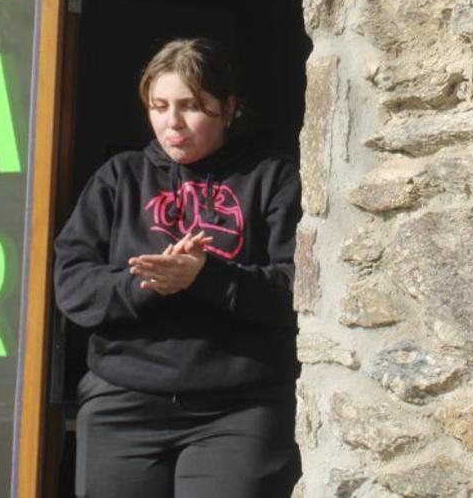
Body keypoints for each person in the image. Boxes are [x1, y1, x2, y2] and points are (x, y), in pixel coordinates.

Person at [53, 37, 302, 498]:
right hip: (123, 401)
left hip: (238, 408)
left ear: (229, 108)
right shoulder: (119, 177)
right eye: (159, 106)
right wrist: (147, 283)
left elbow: (298, 291)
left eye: (191, 106)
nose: (173, 123)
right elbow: (72, 285)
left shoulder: (271, 177)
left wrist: (206, 277)